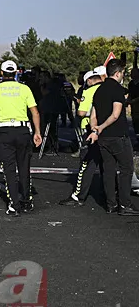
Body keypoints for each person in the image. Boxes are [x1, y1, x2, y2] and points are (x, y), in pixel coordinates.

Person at [0, 60, 42, 216]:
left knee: (9, 169)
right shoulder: (24, 89)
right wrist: (37, 132)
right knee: (24, 167)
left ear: (2, 73)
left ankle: (14, 204)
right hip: (23, 131)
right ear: (16, 72)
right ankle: (27, 201)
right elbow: (35, 112)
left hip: (4, 132)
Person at [87, 59, 139, 215]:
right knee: (126, 168)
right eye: (123, 73)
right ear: (117, 73)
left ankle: (110, 204)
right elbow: (116, 115)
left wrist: (95, 130)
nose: (123, 75)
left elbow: (93, 115)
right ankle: (125, 204)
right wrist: (101, 127)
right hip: (118, 135)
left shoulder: (98, 90)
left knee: (108, 169)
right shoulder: (117, 90)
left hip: (103, 138)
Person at [59, 71, 103, 206]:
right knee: (106, 164)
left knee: (85, 164)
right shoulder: (107, 89)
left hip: (90, 130)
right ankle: (111, 195)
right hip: (108, 131)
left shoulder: (89, 92)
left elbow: (81, 112)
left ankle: (78, 195)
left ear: (89, 81)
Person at [128, 68, 139, 148]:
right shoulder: (131, 84)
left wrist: (134, 101)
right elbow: (130, 94)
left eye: (134, 72)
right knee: (135, 123)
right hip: (134, 108)